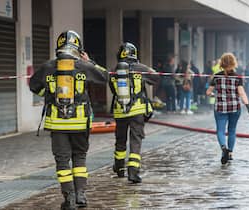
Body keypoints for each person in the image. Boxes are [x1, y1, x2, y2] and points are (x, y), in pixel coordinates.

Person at [29, 30, 108, 209]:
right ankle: (81, 195)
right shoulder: (83, 66)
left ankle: (69, 198)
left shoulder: (47, 66)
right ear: (78, 48)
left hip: (57, 123)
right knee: (79, 157)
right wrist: (89, 62)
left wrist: (48, 96)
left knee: (62, 161)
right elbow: (105, 77)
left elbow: (33, 85)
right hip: (80, 122)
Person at [109, 42, 158, 183]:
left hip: (120, 111)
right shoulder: (141, 69)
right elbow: (156, 78)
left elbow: (113, 91)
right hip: (137, 111)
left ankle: (119, 167)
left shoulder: (114, 70)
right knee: (136, 140)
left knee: (120, 140)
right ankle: (133, 171)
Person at [206, 53, 249, 165]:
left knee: (220, 130)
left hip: (220, 107)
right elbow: (242, 93)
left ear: (221, 63)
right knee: (232, 130)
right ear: (233, 63)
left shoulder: (216, 76)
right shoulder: (237, 77)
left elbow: (208, 92)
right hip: (234, 107)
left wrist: (215, 95)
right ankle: (230, 153)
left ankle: (224, 149)